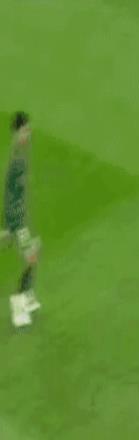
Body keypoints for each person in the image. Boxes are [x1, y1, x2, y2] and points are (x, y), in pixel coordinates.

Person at [2, 111, 41, 327]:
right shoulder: (17, 159)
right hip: (16, 220)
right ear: (17, 132)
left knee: (34, 252)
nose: (29, 133)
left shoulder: (20, 153)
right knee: (30, 256)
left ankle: (27, 296)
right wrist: (11, 226)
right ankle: (19, 305)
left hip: (20, 218)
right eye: (25, 130)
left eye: (29, 130)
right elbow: (10, 195)